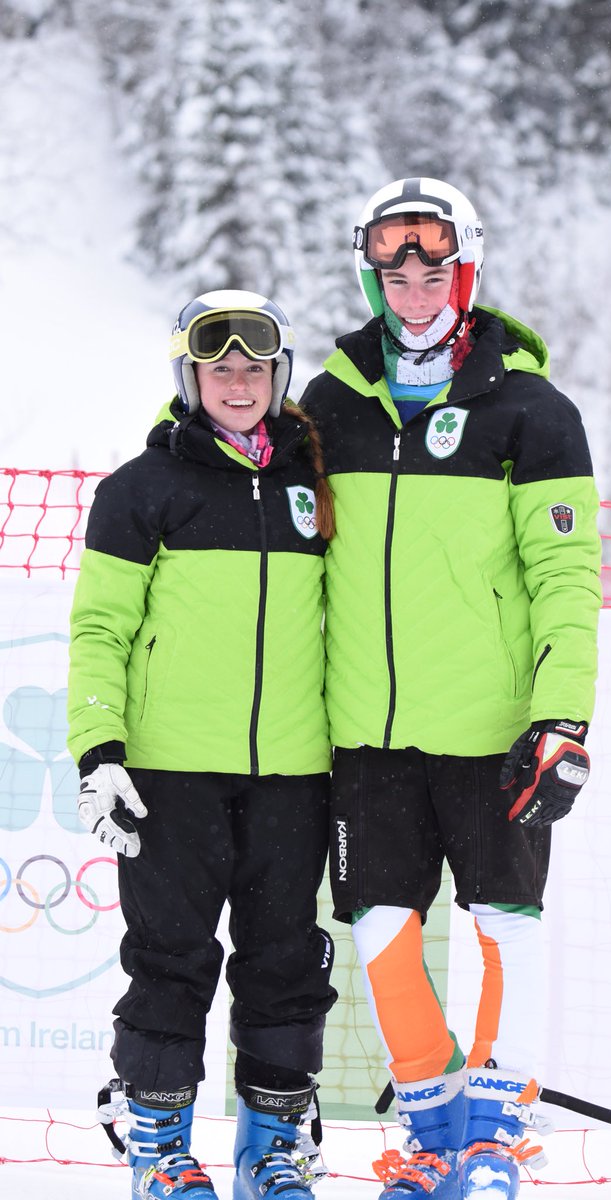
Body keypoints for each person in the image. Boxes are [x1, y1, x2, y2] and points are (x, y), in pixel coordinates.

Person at [300, 179, 602, 1200]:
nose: (415, 290)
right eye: (396, 274)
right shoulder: (330, 405)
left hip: (492, 729)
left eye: (434, 272)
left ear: (464, 273)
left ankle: (496, 1137)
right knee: (379, 925)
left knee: (505, 920)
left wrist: (562, 716)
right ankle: (432, 1133)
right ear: (372, 278)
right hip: (368, 732)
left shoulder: (531, 411)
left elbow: (565, 576)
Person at [67, 290, 337, 1200]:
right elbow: (100, 629)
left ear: (279, 377)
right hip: (169, 772)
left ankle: (272, 1151)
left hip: (293, 772)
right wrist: (99, 750)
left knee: (285, 960)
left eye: (255, 368)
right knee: (171, 958)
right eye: (218, 369)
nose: (238, 383)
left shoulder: (317, 484)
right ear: (189, 379)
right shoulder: (141, 490)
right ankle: (160, 1150)